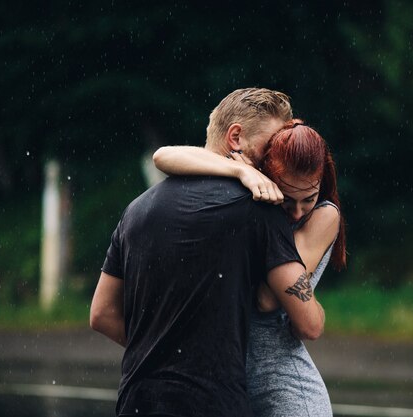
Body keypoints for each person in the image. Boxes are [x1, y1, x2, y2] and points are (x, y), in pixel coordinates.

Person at [90, 88, 326, 417]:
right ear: (236, 138)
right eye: (270, 148)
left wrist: (164, 358)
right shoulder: (259, 209)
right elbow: (309, 323)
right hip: (212, 403)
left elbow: (101, 314)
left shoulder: (137, 210)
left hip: (137, 400)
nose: (277, 160)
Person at [152, 119, 346, 417]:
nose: (297, 212)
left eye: (309, 198)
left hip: (286, 391)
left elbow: (267, 299)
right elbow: (163, 156)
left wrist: (316, 312)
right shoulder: (254, 195)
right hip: (232, 387)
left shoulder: (323, 217)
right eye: (288, 198)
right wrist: (239, 170)